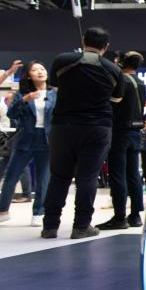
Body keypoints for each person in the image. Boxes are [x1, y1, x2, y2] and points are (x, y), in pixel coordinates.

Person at [42, 27, 125, 239]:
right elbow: (117, 99)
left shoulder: (62, 60)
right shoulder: (113, 70)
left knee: (59, 176)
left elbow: (55, 86)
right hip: (97, 127)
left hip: (63, 125)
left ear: (83, 40)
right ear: (106, 46)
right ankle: (81, 226)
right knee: (87, 177)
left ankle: (50, 226)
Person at [0, 61, 56, 226]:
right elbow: (11, 114)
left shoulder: (54, 94)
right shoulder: (22, 94)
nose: (40, 72)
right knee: (11, 177)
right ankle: (3, 210)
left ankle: (39, 212)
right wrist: (24, 99)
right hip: (25, 139)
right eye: (35, 70)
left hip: (46, 140)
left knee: (43, 179)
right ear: (28, 75)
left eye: (42, 69)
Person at [98, 51, 146, 230]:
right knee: (133, 174)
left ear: (120, 63)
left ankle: (119, 217)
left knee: (118, 175)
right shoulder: (141, 83)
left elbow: (112, 104)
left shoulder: (121, 81)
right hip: (136, 133)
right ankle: (135, 215)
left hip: (119, 133)